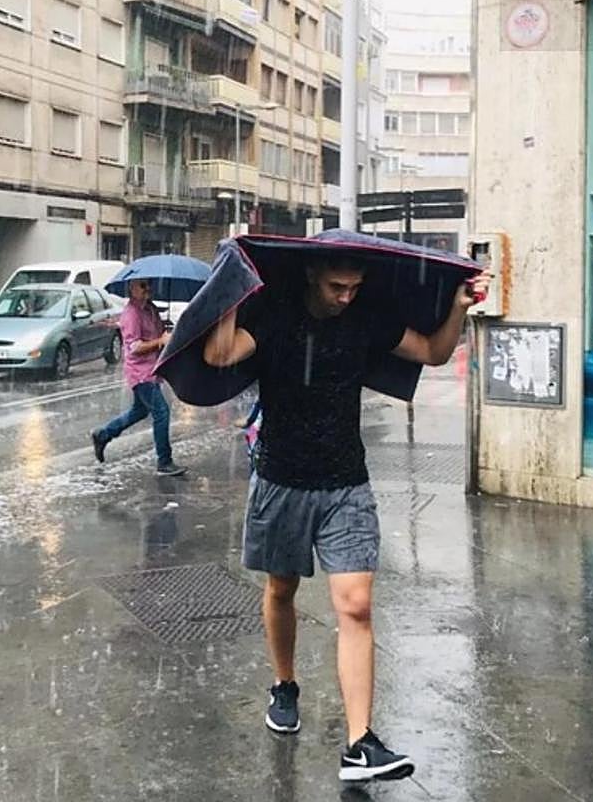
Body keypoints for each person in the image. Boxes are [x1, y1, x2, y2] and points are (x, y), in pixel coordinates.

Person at [203, 254, 491, 783]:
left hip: (346, 484)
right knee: (281, 589)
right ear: (312, 274)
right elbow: (219, 354)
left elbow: (433, 352)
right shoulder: (276, 316)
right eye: (337, 286)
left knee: (356, 605)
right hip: (282, 481)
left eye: (355, 287)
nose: (345, 297)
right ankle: (285, 685)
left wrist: (458, 307)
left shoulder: (366, 318)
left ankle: (360, 744)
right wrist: (229, 291)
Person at [91, 278, 186, 477]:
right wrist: (159, 341)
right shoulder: (131, 314)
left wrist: (166, 331)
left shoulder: (150, 309)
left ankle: (103, 434)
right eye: (142, 286)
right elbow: (134, 347)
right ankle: (164, 461)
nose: (147, 289)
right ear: (132, 288)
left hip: (152, 370)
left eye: (149, 284)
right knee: (161, 412)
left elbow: (159, 334)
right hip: (141, 373)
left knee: (140, 411)